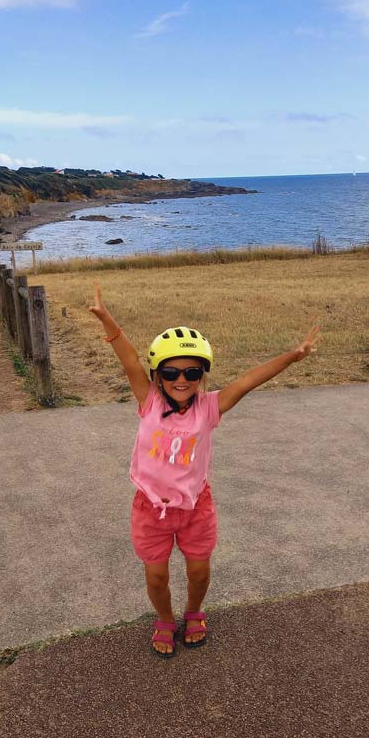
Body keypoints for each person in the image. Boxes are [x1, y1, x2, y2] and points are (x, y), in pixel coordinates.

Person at [89, 282, 320, 657]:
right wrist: (106, 319)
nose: (182, 380)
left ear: (203, 376)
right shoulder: (148, 400)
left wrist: (293, 356)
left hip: (196, 507)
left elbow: (248, 380)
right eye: (172, 372)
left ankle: (194, 612)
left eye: (192, 373)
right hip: (151, 509)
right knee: (157, 576)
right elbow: (129, 359)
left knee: (198, 572)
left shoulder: (209, 407)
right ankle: (165, 619)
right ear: (158, 374)